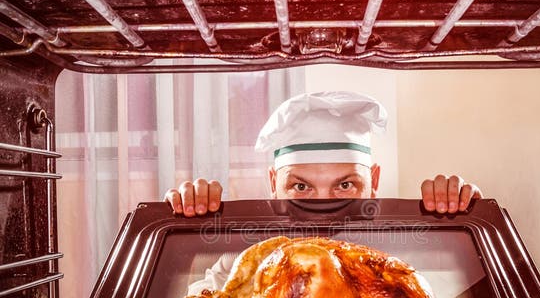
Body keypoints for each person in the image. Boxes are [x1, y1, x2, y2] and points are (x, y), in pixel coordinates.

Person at [164, 90, 482, 216]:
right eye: (300, 186)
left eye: (345, 185)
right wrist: (186, 217)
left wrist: (463, 214)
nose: (323, 208)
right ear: (273, 184)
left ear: (374, 180)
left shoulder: (401, 264)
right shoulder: (245, 267)